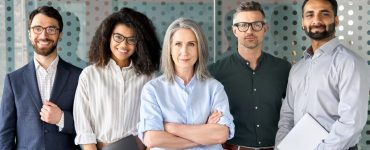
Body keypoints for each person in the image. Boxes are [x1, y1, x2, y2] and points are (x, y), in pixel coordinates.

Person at [275, 0, 369, 149]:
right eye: (310, 14)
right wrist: (281, 146)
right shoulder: (297, 68)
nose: (316, 20)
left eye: (324, 14)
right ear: (303, 22)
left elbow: (351, 122)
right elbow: (288, 116)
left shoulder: (350, 63)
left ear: (336, 20)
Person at [138, 18, 235, 150]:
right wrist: (204, 134)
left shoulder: (214, 88)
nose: (184, 51)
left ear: (199, 48)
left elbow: (221, 134)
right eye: (178, 44)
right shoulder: (152, 89)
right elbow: (152, 138)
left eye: (191, 44)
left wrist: (171, 128)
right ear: (169, 48)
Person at [73, 7, 161, 150]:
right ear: (108, 37)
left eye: (131, 39)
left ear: (140, 43)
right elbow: (84, 129)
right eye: (118, 37)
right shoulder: (89, 75)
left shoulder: (148, 77)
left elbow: (152, 124)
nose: (124, 45)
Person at [208, 1, 291, 150]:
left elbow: (294, 111)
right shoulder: (216, 72)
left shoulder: (283, 69)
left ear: (265, 28)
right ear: (235, 30)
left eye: (256, 25)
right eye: (243, 25)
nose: (249, 31)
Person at [0, 6, 82, 150]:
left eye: (51, 29)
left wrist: (62, 118)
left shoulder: (79, 76)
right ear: (30, 33)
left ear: (60, 34)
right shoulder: (13, 81)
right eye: (37, 28)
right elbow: (5, 134)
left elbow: (90, 126)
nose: (44, 35)